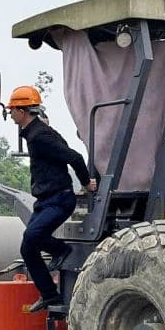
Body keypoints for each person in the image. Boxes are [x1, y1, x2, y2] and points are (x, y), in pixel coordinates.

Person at [7, 85, 96, 314]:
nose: (11, 115)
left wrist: (86, 183)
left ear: (22, 110)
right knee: (28, 248)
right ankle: (49, 295)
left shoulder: (40, 136)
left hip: (59, 198)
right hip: (46, 199)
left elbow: (74, 157)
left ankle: (60, 250)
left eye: (12, 110)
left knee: (32, 236)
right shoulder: (36, 132)